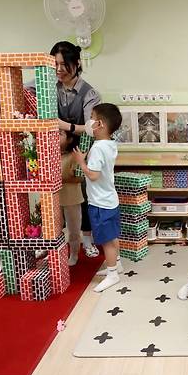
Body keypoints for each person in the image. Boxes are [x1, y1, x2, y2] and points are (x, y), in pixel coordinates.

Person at [51, 41, 101, 258]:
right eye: (55, 64)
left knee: (83, 196)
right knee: (54, 195)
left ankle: (87, 240)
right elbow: (26, 91)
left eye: (64, 64)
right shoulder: (48, 86)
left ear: (77, 63)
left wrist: (66, 126)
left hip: (82, 150)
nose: (59, 69)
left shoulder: (89, 93)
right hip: (55, 150)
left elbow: (92, 129)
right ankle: (57, 240)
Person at [72, 103, 123, 293]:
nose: (89, 121)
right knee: (112, 236)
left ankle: (112, 274)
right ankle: (117, 264)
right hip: (110, 200)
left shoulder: (97, 149)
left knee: (106, 241)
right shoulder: (109, 144)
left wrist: (81, 162)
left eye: (92, 116)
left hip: (101, 203)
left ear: (99, 124)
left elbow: (93, 175)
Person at [58, 130, 83, 266]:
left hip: (72, 197)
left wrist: (62, 179)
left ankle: (74, 253)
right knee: (55, 228)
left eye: (61, 134)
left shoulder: (74, 156)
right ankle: (56, 252)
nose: (56, 135)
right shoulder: (50, 154)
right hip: (55, 198)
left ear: (69, 139)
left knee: (73, 229)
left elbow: (80, 178)